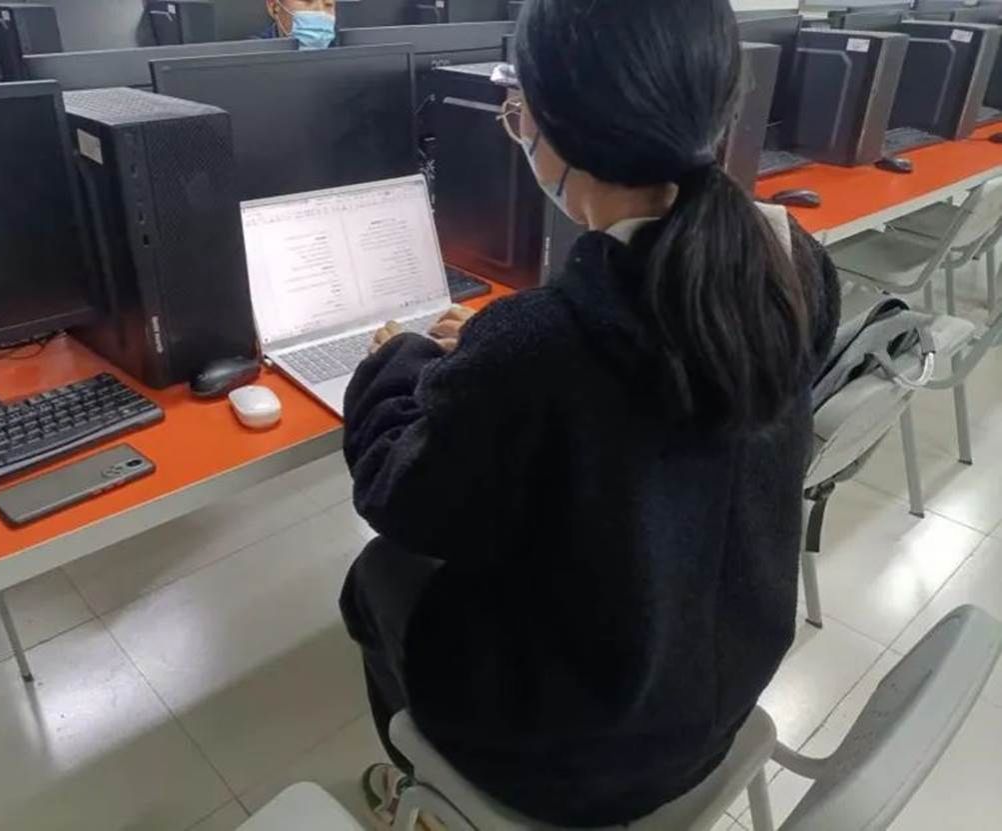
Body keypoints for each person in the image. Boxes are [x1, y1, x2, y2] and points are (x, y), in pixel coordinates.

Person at [340, 0, 841, 827]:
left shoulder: (538, 345)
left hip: (579, 762)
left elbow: (401, 495)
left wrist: (396, 361)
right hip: (725, 689)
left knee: (380, 574)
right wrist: (491, 356)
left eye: (517, 109)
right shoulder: (793, 262)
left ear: (555, 131)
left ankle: (425, 789)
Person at [258, 0, 335, 49]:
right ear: (273, 6)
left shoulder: (341, 54)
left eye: (328, 4)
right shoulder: (254, 58)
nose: (320, 12)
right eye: (307, 1)